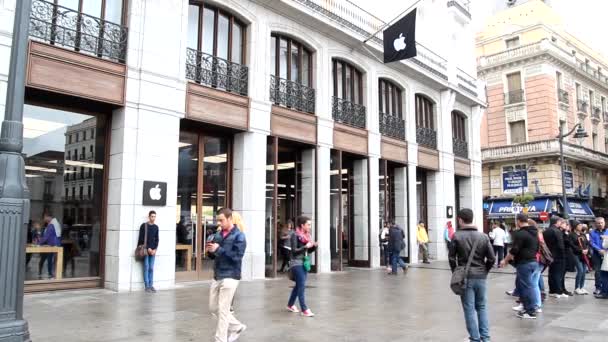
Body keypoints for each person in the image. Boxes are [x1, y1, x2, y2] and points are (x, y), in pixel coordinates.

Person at [449, 208, 495, 342]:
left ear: (460, 220)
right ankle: (485, 338)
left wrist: (456, 273)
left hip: (465, 276)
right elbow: (491, 258)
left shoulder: (456, 236)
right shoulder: (483, 236)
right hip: (481, 276)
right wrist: (484, 271)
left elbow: (452, 258)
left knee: (469, 308)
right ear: (472, 219)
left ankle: (475, 338)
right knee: (481, 307)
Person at [207, 208, 247, 341]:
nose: (219, 223)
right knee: (213, 308)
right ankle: (236, 327)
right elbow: (214, 256)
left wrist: (219, 249)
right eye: (218, 220)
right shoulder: (217, 235)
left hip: (231, 275)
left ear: (230, 219)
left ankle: (220, 339)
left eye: (221, 220)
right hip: (217, 275)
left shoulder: (239, 236)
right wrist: (210, 251)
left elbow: (237, 257)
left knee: (223, 311)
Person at [501, 214, 541, 319]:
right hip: (533, 261)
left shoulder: (521, 234)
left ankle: (530, 311)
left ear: (518, 221)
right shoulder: (535, 233)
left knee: (526, 287)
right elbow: (537, 247)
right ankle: (529, 307)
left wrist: (505, 260)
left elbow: (514, 249)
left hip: (524, 263)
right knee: (530, 286)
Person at [286, 216, 317, 317]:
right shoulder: (295, 235)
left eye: (310, 225)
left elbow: (307, 251)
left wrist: (314, 247)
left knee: (299, 285)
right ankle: (304, 309)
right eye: (308, 225)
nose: (310, 227)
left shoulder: (307, 236)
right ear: (302, 225)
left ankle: (290, 305)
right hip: (296, 263)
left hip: (304, 262)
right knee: (302, 286)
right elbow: (294, 251)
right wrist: (305, 246)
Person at [543, 215, 567, 298]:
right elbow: (560, 245)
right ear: (557, 222)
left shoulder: (546, 231)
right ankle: (558, 291)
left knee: (551, 273)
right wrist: (563, 255)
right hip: (559, 255)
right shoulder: (557, 231)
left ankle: (552, 290)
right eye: (560, 222)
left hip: (549, 255)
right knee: (558, 273)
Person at [138, 211, 159, 293]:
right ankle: (147, 286)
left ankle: (151, 285)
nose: (153, 218)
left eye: (154, 216)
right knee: (146, 267)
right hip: (146, 251)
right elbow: (141, 239)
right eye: (152, 216)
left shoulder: (156, 227)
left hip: (153, 251)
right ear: (149, 217)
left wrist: (155, 249)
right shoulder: (144, 226)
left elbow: (157, 239)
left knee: (151, 268)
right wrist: (148, 248)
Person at [37, 213, 62, 279]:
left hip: (53, 245)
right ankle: (53, 275)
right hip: (55, 245)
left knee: (51, 260)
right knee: (52, 260)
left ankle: (51, 274)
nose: (44, 219)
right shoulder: (55, 223)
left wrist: (39, 243)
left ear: (48, 217)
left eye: (44, 217)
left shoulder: (51, 225)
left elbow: (46, 237)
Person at [570, 221, 590, 295]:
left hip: (584, 255)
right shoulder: (571, 235)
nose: (581, 226)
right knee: (580, 270)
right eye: (579, 225)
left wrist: (587, 249)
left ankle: (582, 287)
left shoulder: (583, 234)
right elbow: (572, 245)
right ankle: (577, 288)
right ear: (575, 226)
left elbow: (587, 243)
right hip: (576, 254)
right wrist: (581, 250)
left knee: (584, 271)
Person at [590, 217, 608, 296]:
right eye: (598, 223)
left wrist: (604, 250)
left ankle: (605, 288)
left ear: (604, 223)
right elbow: (591, 242)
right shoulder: (592, 232)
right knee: (597, 271)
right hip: (596, 254)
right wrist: (599, 250)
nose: (600, 224)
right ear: (595, 224)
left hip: (606, 254)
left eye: (601, 222)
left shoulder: (607, 231)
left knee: (605, 272)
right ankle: (598, 287)